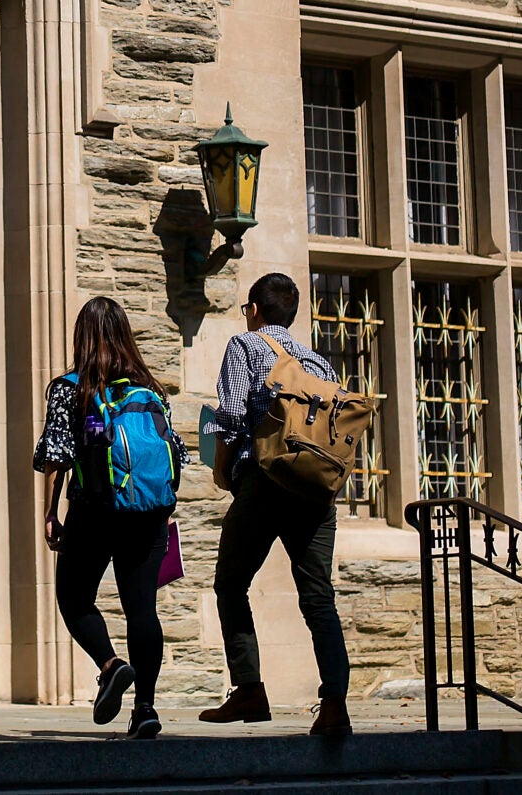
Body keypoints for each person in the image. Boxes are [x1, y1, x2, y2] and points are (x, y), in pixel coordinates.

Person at [199, 271, 352, 737]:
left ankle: (248, 688)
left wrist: (222, 470)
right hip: (313, 489)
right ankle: (334, 705)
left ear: (255, 310)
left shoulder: (245, 347)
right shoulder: (320, 364)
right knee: (318, 597)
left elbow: (228, 416)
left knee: (230, 584)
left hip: (264, 481)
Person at [33, 295, 183, 739]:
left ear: (82, 336)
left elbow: (56, 456)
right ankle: (146, 709)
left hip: (94, 511)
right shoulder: (150, 390)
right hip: (149, 514)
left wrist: (50, 512)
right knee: (143, 611)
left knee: (74, 598)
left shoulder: (72, 388)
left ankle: (111, 664)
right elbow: (176, 452)